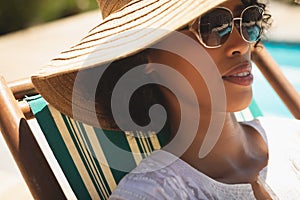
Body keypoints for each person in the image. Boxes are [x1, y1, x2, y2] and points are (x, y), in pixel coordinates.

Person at [31, 0, 300, 199]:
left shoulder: (291, 136)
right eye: (213, 26)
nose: (241, 44)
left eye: (248, 19)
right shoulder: (151, 194)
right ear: (147, 58)